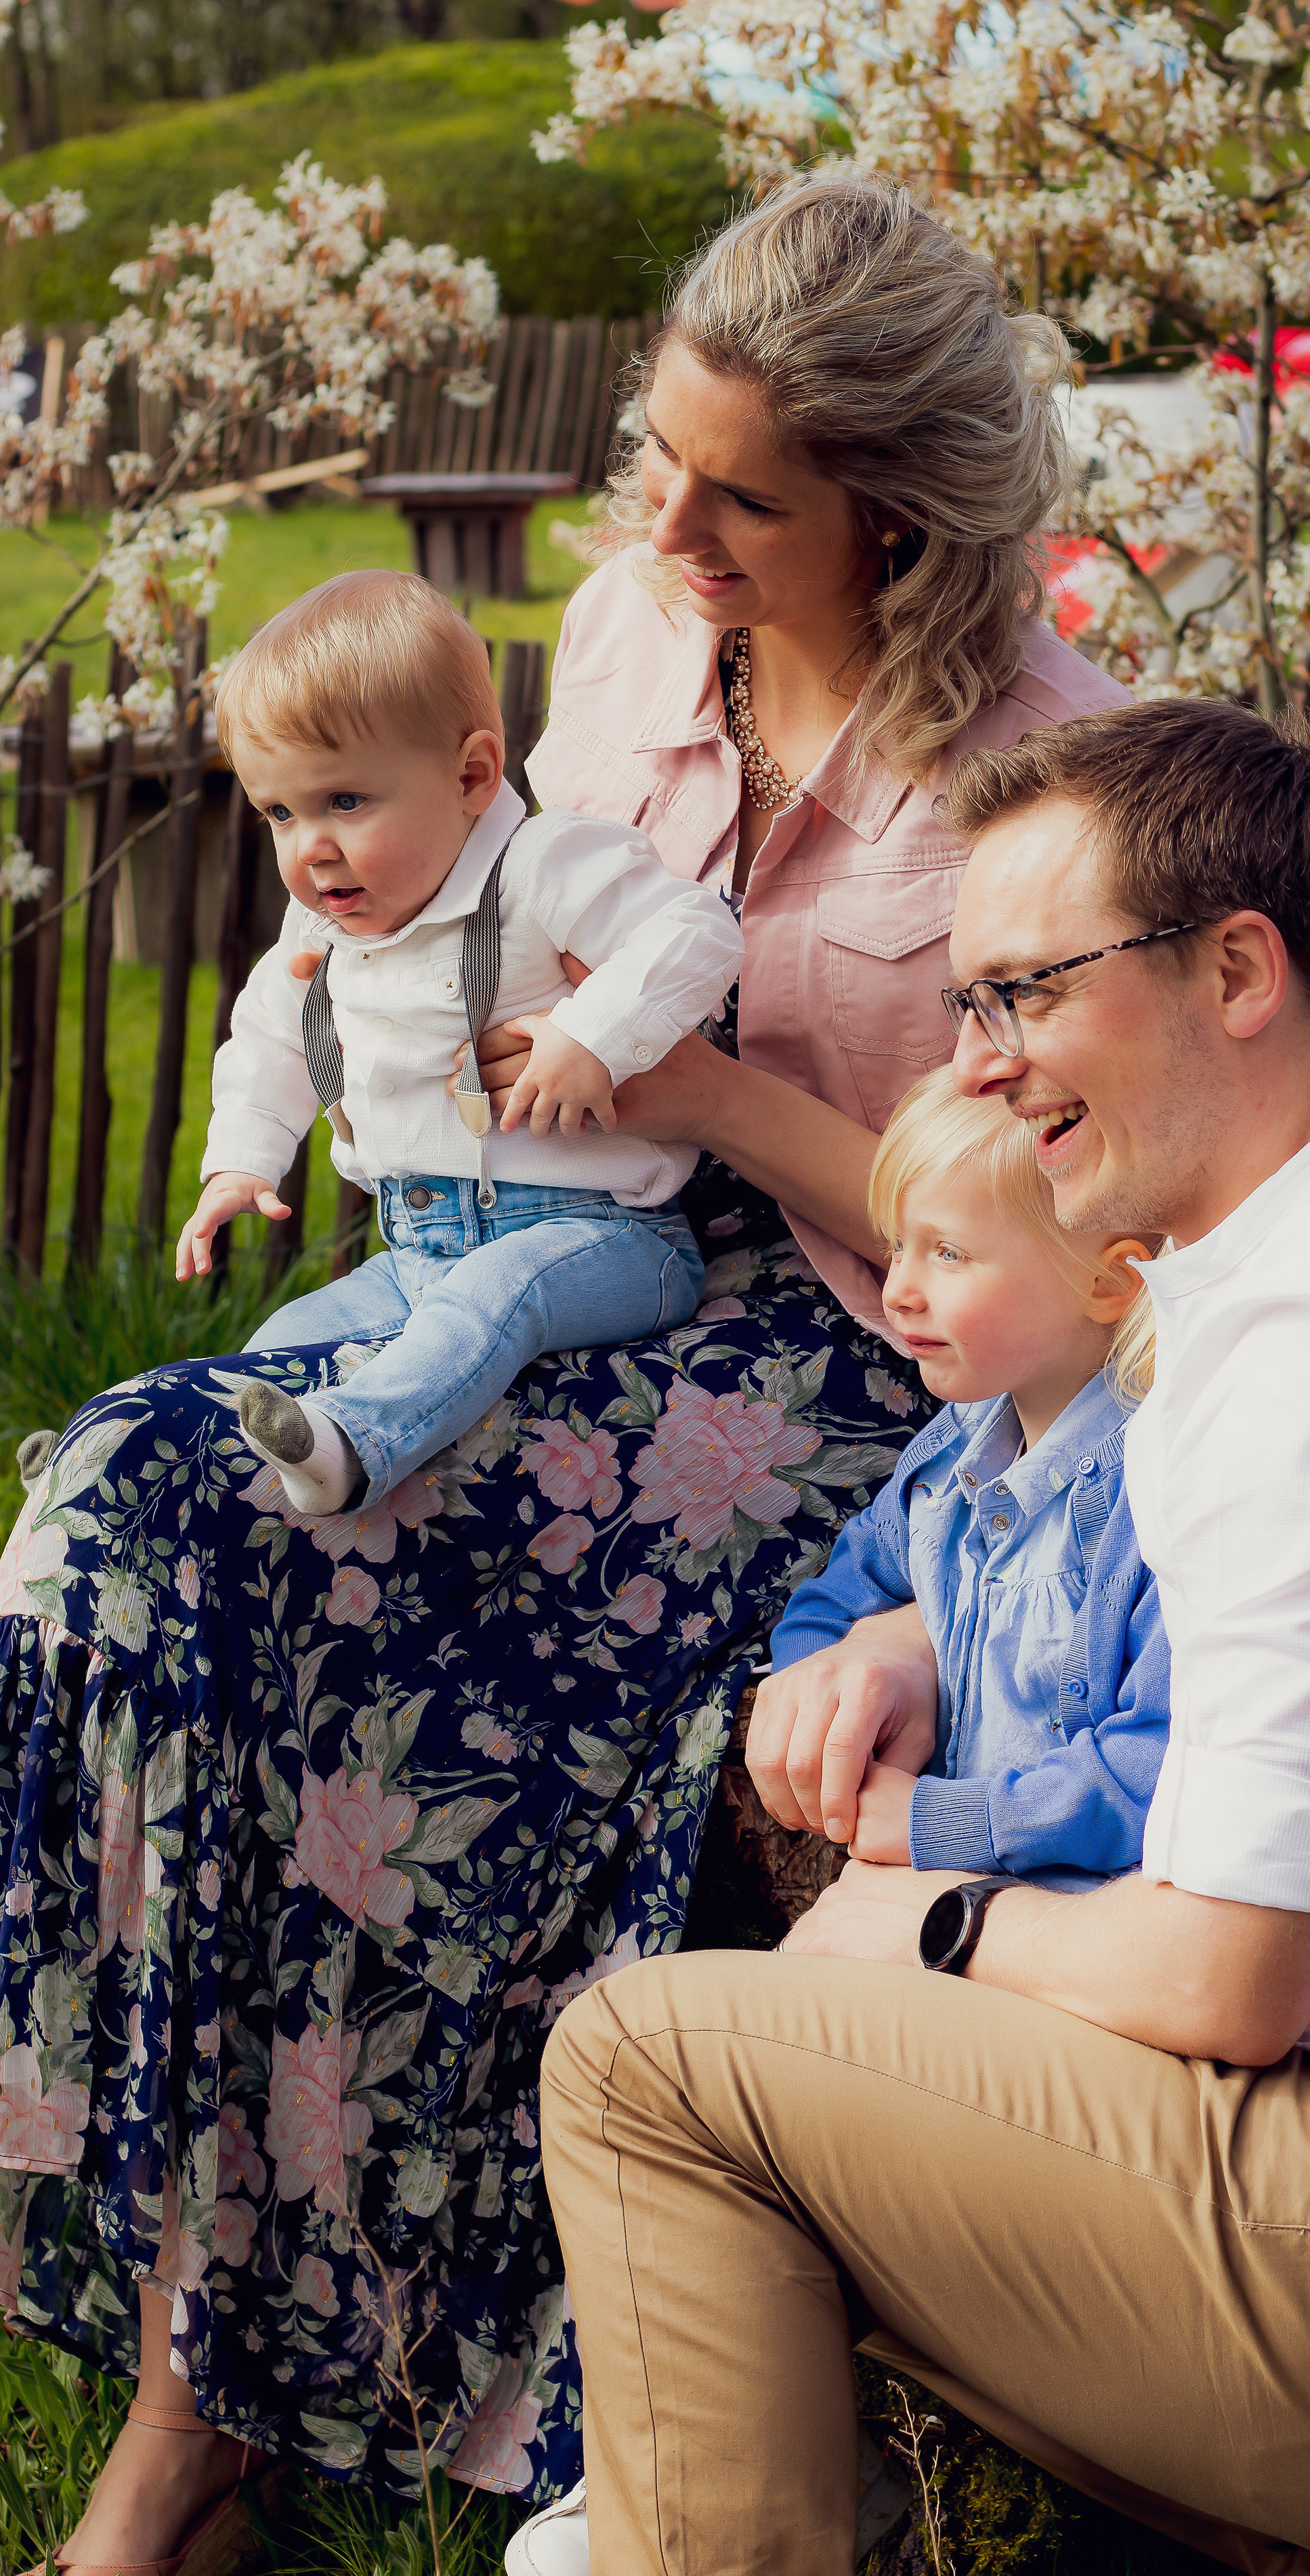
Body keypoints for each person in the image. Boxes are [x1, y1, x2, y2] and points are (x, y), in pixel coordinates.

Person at [0, 167, 1124, 2573]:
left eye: (743, 498)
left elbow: (1039, 1226)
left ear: (902, 520)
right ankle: (221, 2316)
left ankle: (225, 2435)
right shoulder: (620, 632)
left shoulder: (1043, 777)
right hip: (548, 1243)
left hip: (847, 1350)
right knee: (134, 1498)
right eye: (661, 458)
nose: (668, 526)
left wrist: (707, 1098)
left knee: (406, 1650)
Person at [538, 696, 1310, 2576]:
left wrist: (932, 1917)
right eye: (969, 1007)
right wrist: (923, 1636)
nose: (986, 1063)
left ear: (1238, 969)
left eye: (1027, 992)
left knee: (650, 2064)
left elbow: (1234, 1980)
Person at [177, 570, 740, 1515]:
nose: (309, 847)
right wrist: (240, 1160)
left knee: (496, 1298)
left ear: (473, 775)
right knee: (281, 1339)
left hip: (604, 1238)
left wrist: (591, 1035)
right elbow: (268, 1036)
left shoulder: (545, 867)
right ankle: (150, 1461)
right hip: (418, 1248)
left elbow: (697, 934)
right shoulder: (323, 930)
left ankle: (355, 1449)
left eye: (344, 802)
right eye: (280, 814)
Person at [765, 1067, 1168, 1884]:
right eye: (897, 1246)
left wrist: (934, 1820)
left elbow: (1154, 1759)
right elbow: (836, 1598)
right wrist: (824, 1701)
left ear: (1108, 1282)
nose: (899, 1292)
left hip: (1068, 1928)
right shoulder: (952, 1454)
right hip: (930, 1894)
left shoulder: (1148, 1495)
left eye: (948, 1253)